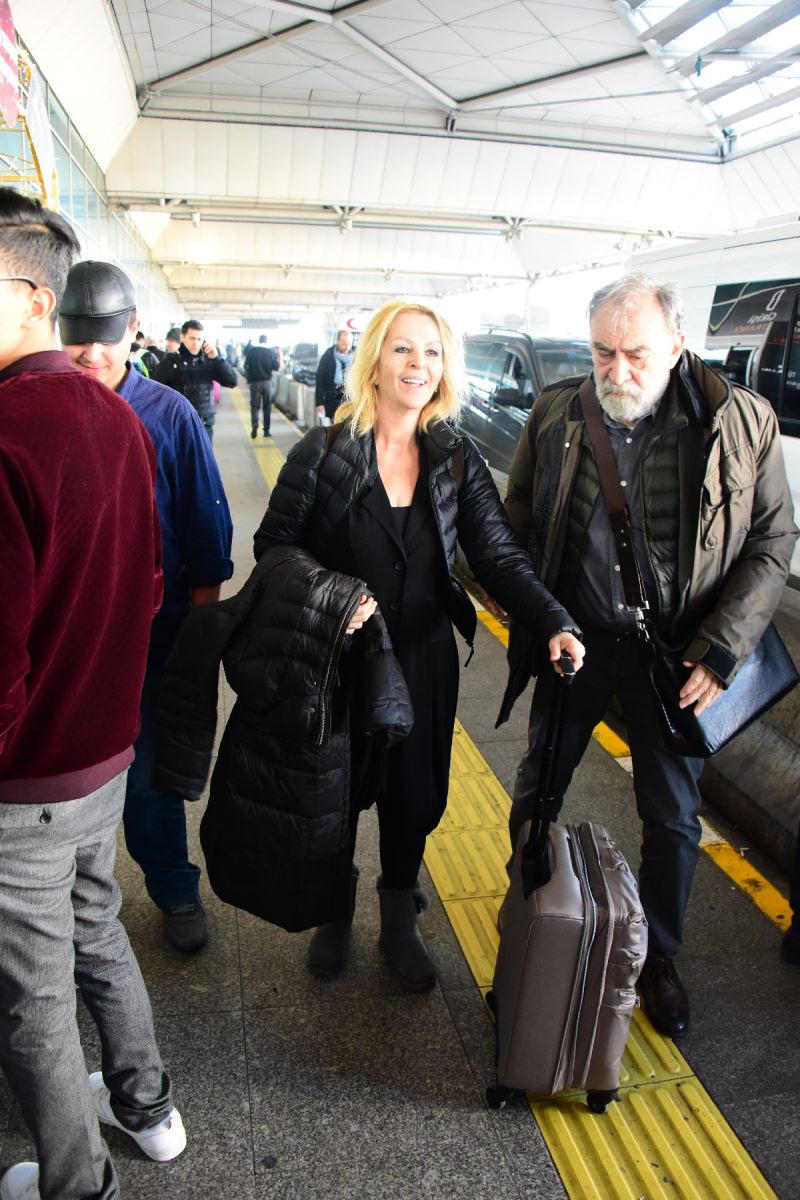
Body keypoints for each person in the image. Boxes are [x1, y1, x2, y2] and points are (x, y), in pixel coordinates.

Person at [251, 297, 584, 991]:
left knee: (415, 794)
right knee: (338, 788)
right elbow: (274, 546)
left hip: (423, 658)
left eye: (431, 352)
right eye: (403, 348)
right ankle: (334, 908)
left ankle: (399, 913)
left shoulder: (454, 457)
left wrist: (552, 618)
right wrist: (330, 596)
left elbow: (497, 554)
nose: (418, 364)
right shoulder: (324, 452)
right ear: (374, 360)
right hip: (341, 658)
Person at [500, 273, 798, 1038]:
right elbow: (518, 516)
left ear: (677, 345)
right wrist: (537, 612)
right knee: (538, 792)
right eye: (602, 352)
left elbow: (772, 540)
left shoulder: (740, 420)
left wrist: (722, 649)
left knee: (672, 816)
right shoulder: (558, 412)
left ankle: (657, 956)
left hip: (675, 654)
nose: (617, 370)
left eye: (635, 353)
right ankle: (529, 930)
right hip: (575, 641)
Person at [0, 190, 186, 1200]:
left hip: (23, 778)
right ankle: (148, 1109)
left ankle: (78, 1186)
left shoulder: (5, 432)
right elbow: (148, 587)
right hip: (105, 755)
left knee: (32, 996)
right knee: (98, 924)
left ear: (36, 298)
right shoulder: (119, 417)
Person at [60, 260, 234, 953]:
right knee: (61, 788)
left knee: (148, 779)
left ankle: (174, 888)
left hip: (152, 640)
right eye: (76, 335)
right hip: (64, 643)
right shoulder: (36, 407)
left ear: (133, 328)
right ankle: (60, 900)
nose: (89, 352)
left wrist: (197, 640)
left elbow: (207, 534)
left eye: (104, 335)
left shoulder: (168, 415)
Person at [153, 318, 236, 442]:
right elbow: (154, 394)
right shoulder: (170, 363)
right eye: (192, 338)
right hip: (178, 427)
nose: (196, 343)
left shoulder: (209, 362)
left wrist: (216, 359)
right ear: (182, 337)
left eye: (199, 339)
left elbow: (232, 381)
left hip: (204, 426)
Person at [243, 333, 279, 438]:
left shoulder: (252, 351)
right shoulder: (270, 352)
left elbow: (246, 366)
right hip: (267, 383)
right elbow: (276, 367)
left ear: (259, 341)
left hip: (254, 383)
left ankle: (254, 424)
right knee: (267, 406)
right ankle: (266, 431)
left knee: (254, 406)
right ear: (266, 341)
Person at [315, 328, 354, 422]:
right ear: (337, 341)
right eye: (344, 344)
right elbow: (320, 379)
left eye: (349, 344)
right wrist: (319, 403)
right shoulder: (328, 356)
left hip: (351, 398)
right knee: (334, 425)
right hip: (333, 399)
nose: (347, 347)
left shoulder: (356, 357)